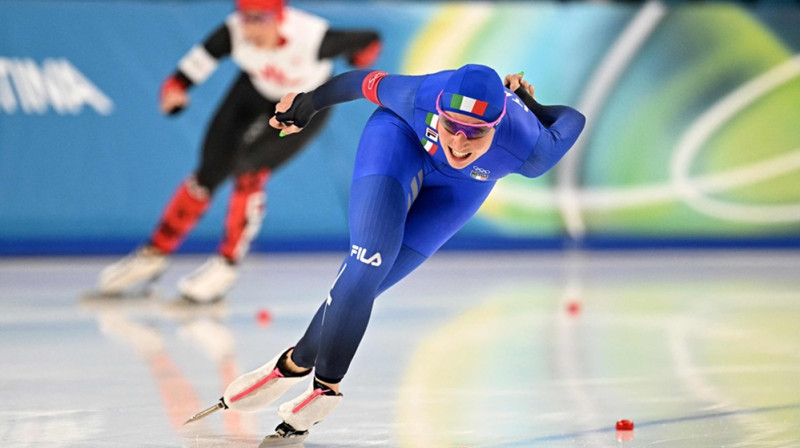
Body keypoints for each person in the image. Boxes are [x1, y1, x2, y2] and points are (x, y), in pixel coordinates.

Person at [185, 64, 586, 443]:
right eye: (451, 126)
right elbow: (361, 83)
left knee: (370, 282)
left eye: (475, 133)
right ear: (440, 110)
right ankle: (325, 388)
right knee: (368, 260)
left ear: (497, 126)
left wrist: (531, 105)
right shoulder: (421, 95)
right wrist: (306, 105)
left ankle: (295, 361)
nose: (459, 142)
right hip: (397, 142)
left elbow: (573, 119)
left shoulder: (530, 149)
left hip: (462, 189)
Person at [97, 0, 382, 303]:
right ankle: (153, 254)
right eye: (244, 17)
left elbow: (370, 38)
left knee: (250, 167)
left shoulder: (313, 37)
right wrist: (174, 90)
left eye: (258, 20)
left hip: (302, 103)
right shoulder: (233, 32)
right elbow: (193, 66)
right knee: (208, 170)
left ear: (279, 18)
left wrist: (358, 58)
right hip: (253, 90)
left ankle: (227, 264)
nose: (249, 28)